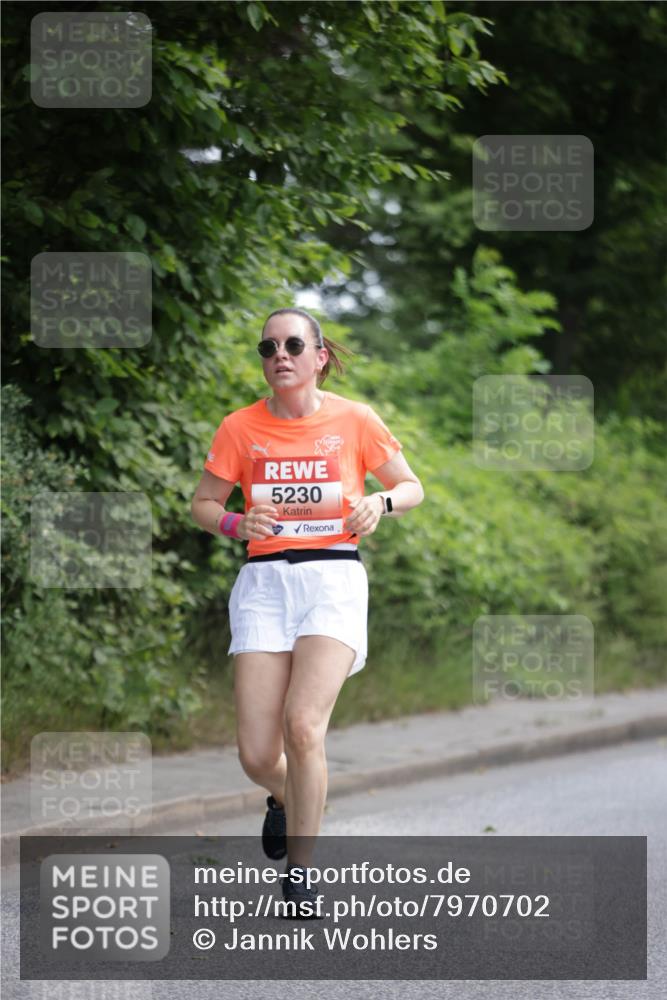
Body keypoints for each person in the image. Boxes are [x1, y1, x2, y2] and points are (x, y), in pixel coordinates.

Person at [190, 307, 424, 917]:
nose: (279, 355)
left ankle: (301, 874)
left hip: (333, 578)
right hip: (265, 583)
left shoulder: (355, 419)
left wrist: (382, 503)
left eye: (293, 344)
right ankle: (287, 798)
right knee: (259, 757)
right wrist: (238, 521)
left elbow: (411, 485)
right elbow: (205, 503)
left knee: (303, 727)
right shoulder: (239, 427)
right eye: (268, 347)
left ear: (319, 356)